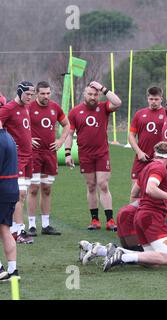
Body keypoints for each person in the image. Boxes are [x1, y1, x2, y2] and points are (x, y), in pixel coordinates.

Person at [102, 141, 167, 271]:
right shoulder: (159, 168)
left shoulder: (147, 168)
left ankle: (108, 251)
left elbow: (134, 192)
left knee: (152, 262)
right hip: (152, 216)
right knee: (166, 258)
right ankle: (122, 256)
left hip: (140, 216)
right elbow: (150, 189)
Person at [65, 81, 121, 231]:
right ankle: (95, 220)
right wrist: (68, 153)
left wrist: (103, 88)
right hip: (85, 155)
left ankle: (110, 220)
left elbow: (117, 102)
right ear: (84, 94)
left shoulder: (104, 107)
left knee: (103, 184)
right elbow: (69, 134)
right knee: (91, 186)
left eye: (95, 94)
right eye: (90, 94)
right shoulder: (75, 112)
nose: (93, 97)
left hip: (102, 153)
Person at [26, 81, 69, 236]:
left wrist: (61, 140)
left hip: (50, 154)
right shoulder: (29, 107)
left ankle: (46, 225)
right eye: (42, 93)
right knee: (33, 188)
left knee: (47, 188)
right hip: (34, 154)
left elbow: (66, 125)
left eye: (48, 93)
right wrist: (28, 139)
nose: (45, 96)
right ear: (36, 93)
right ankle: (31, 226)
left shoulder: (55, 108)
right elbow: (18, 126)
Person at [0, 81, 35, 244]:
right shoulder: (8, 108)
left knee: (23, 193)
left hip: (29, 157)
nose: (30, 97)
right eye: (27, 94)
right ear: (19, 92)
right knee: (19, 194)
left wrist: (28, 139)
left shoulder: (25, 107)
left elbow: (21, 127)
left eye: (31, 94)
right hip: (17, 158)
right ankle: (18, 231)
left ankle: (15, 227)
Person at [128, 86, 165, 200]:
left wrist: (162, 156)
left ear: (161, 99)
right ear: (147, 99)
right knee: (135, 193)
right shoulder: (140, 114)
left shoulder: (166, 114)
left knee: (158, 192)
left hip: (159, 159)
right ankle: (133, 217)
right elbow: (131, 135)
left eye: (156, 99)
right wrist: (139, 152)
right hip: (141, 158)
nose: (153, 102)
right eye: (151, 99)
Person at [0, 121, 20, 280]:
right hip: (11, 188)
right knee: (5, 229)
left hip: (3, 190)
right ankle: (13, 271)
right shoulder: (8, 137)